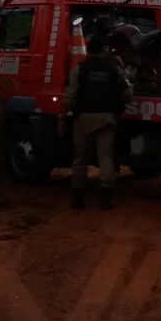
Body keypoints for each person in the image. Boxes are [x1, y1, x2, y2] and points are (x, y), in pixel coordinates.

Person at [63, 33, 133, 210]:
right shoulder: (113, 69)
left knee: (80, 158)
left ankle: (78, 198)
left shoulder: (79, 69)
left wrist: (63, 116)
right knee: (105, 158)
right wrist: (120, 104)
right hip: (107, 118)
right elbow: (128, 92)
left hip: (84, 118)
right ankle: (106, 198)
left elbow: (70, 96)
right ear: (104, 50)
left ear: (88, 50)